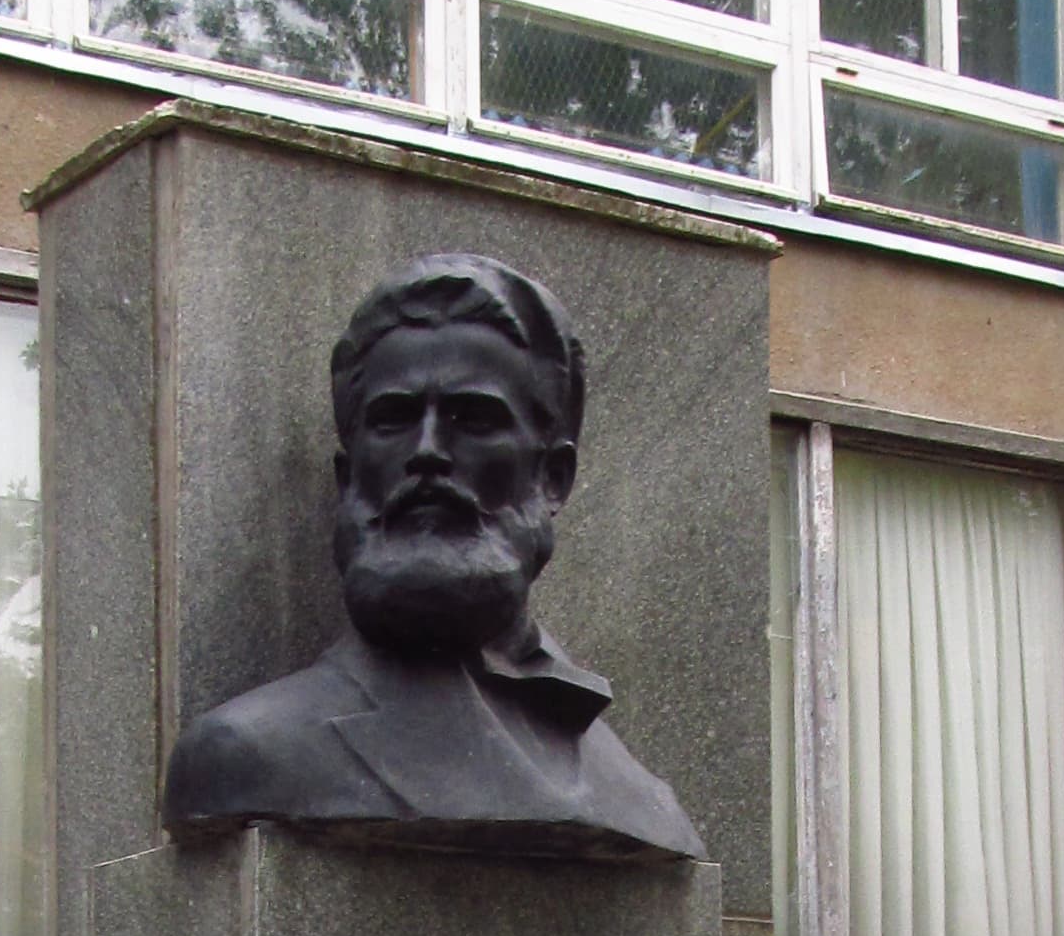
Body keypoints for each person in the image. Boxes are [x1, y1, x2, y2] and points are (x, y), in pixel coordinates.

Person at [160, 253, 703, 864]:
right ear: (348, 479)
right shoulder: (243, 752)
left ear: (553, 478)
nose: (427, 453)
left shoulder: (640, 800)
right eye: (393, 421)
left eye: (473, 420)